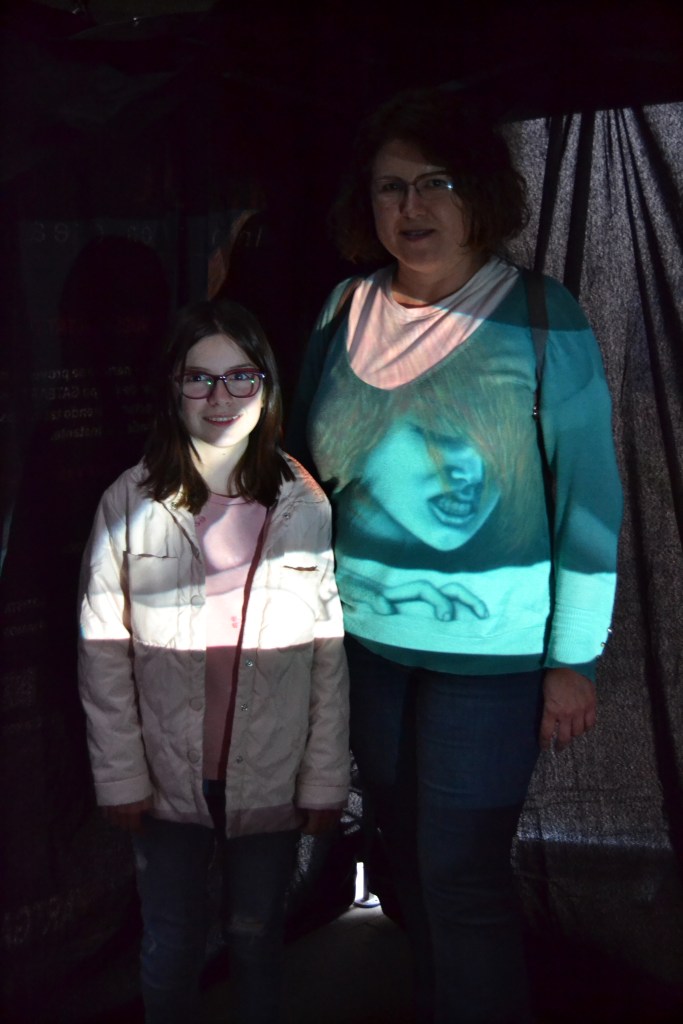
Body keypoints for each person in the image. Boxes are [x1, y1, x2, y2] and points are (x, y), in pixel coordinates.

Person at [287, 88, 622, 1024]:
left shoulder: (540, 315)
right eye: (390, 186)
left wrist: (572, 660)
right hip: (363, 647)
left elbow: (589, 502)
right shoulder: (343, 309)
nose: (412, 206)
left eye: (435, 182)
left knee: (462, 876)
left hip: (494, 661)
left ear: (479, 192)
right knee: (406, 867)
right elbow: (301, 476)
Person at [78, 299, 350, 1024]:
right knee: (170, 940)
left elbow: (326, 654)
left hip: (271, 774)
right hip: (167, 777)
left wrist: (325, 777)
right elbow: (102, 652)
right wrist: (121, 776)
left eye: (240, 377)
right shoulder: (129, 501)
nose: (220, 397)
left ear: (266, 387)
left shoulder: (302, 503)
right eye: (199, 378)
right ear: (173, 388)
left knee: (257, 935)